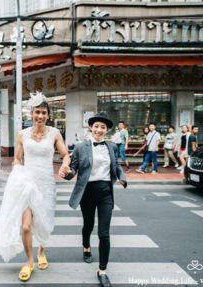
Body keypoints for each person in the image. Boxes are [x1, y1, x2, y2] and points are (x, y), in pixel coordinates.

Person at [0, 93, 71, 282]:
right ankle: (30, 260)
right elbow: (17, 158)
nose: (40, 116)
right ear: (31, 114)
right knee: (25, 227)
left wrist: (65, 164)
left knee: (43, 223)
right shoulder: (22, 134)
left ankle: (41, 251)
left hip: (46, 184)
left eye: (43, 113)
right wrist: (17, 169)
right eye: (37, 112)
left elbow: (65, 154)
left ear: (48, 115)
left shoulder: (55, 134)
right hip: (27, 184)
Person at [63, 112, 127, 287]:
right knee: (89, 225)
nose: (99, 130)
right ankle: (86, 246)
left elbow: (117, 165)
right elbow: (74, 168)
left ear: (106, 130)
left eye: (103, 127)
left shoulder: (112, 147)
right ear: (91, 127)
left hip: (105, 192)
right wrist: (67, 173)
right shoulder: (80, 147)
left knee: (104, 233)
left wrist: (122, 177)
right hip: (87, 192)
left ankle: (103, 270)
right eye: (96, 126)